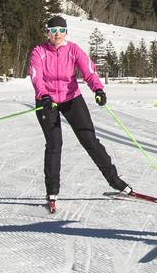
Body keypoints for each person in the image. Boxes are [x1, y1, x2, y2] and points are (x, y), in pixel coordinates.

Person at [29, 16, 130, 213]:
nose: (57, 34)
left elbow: (89, 72)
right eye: (52, 30)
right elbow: (36, 77)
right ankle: (52, 191)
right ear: (47, 33)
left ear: (66, 32)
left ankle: (115, 181)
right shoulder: (39, 52)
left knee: (89, 139)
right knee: (54, 143)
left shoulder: (74, 50)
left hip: (71, 98)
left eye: (60, 30)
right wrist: (44, 96)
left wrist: (98, 90)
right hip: (47, 102)